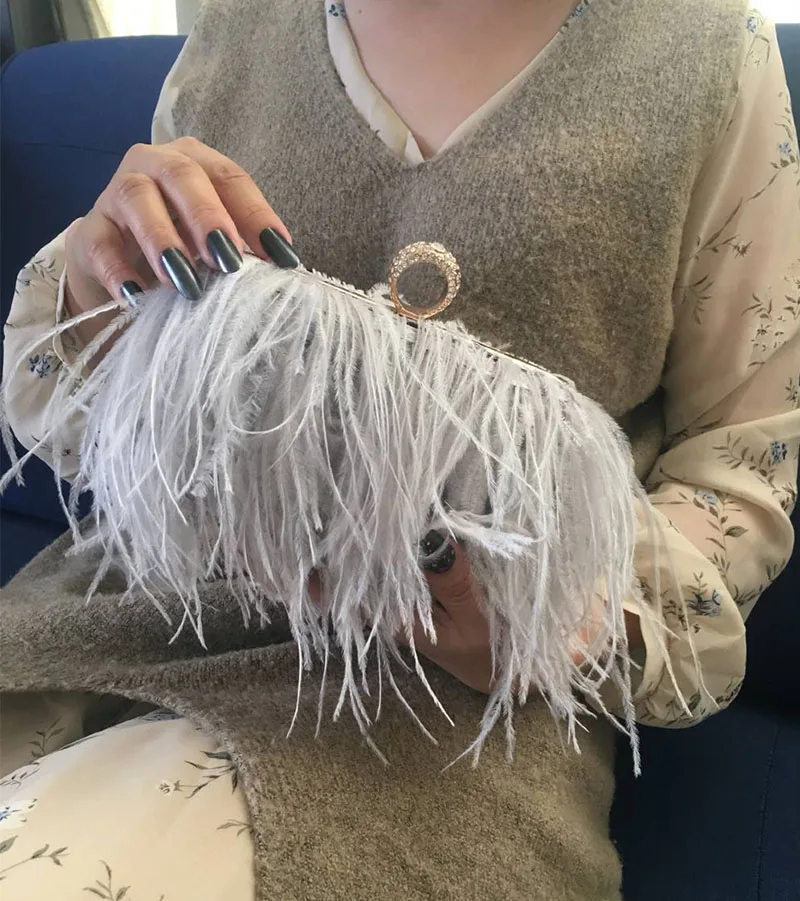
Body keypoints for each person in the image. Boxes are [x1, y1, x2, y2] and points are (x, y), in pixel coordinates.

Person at [1, 0, 798, 898]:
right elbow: (112, 423)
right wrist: (99, 301)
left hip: (452, 708)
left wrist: (564, 622)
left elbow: (740, 462)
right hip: (134, 611)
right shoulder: (238, 29)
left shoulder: (705, 55)